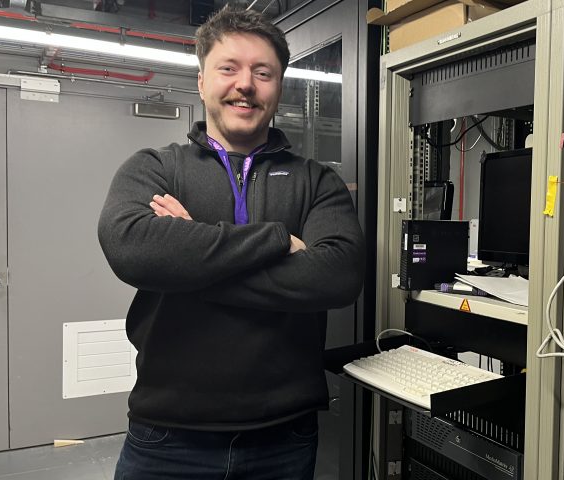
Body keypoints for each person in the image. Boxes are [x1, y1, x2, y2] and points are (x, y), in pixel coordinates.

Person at [97, 5, 364, 479]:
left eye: (263, 73)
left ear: (278, 87)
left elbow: (337, 277)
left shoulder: (317, 180)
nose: (245, 84)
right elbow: (131, 247)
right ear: (202, 81)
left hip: (283, 436)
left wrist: (187, 261)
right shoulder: (155, 167)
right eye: (229, 68)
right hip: (167, 437)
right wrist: (280, 239)